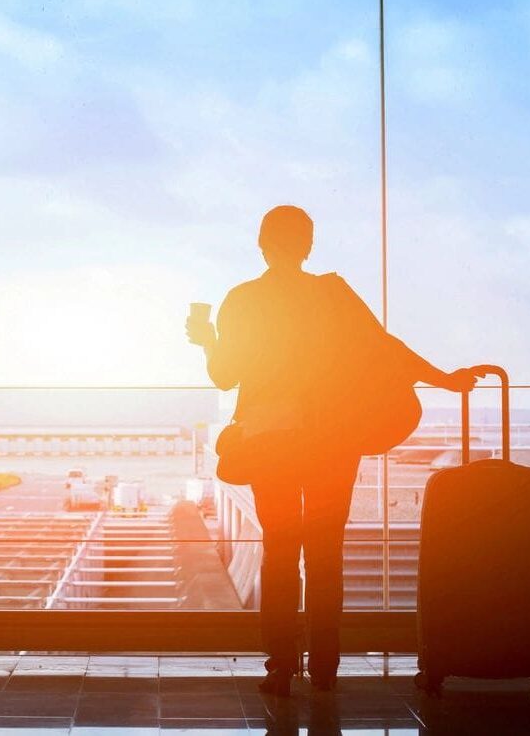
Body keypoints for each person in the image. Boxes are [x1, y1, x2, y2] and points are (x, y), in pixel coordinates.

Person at [186, 204, 475, 696]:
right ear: (308, 245)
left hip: (270, 442)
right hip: (331, 443)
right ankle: (324, 667)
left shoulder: (243, 299)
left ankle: (280, 667)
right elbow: (386, 347)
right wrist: (444, 380)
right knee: (325, 555)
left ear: (261, 243)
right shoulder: (332, 294)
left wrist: (207, 340)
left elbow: (224, 376)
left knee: (279, 553)